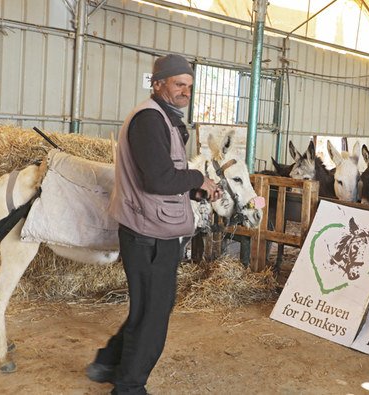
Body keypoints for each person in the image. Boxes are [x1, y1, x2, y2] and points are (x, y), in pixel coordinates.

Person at [86, 54, 220, 395]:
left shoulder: (163, 118)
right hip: (148, 234)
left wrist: (194, 187)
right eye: (178, 84)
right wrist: (198, 177)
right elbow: (159, 180)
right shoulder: (149, 120)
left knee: (148, 307)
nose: (185, 92)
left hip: (152, 228)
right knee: (154, 313)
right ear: (157, 83)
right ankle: (128, 386)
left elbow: (162, 174)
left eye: (189, 86)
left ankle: (107, 363)